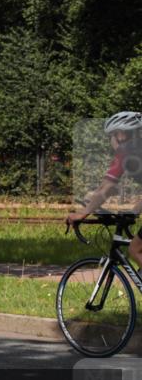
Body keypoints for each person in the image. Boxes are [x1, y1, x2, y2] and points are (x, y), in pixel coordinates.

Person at [66, 111, 142, 265]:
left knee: (135, 249)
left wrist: (81, 214)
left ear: (120, 135)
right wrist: (133, 212)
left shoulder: (125, 151)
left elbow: (107, 188)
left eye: (111, 136)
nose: (111, 140)